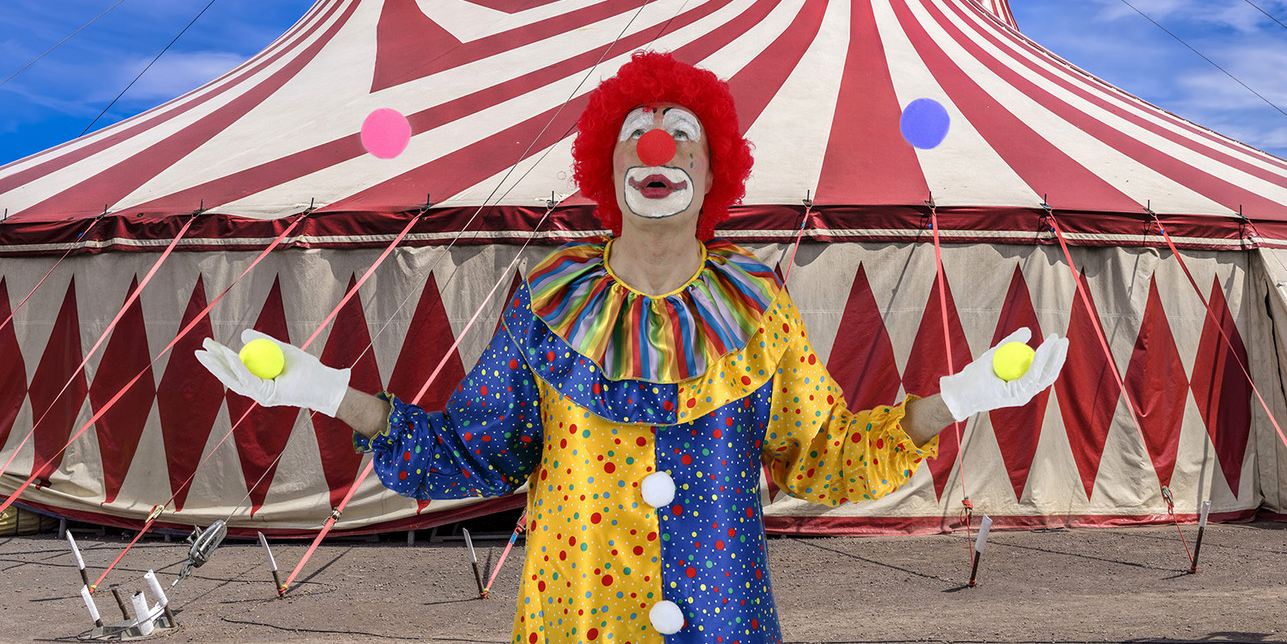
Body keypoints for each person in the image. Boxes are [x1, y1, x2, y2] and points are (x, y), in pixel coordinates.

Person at [198, 50, 1067, 644]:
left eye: (681, 131)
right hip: (579, 623)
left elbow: (823, 457)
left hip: (722, 622)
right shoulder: (547, 302)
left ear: (712, 167)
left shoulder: (758, 308)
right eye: (636, 133)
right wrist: (326, 394)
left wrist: (958, 398)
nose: (657, 144)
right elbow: (474, 454)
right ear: (605, 169)